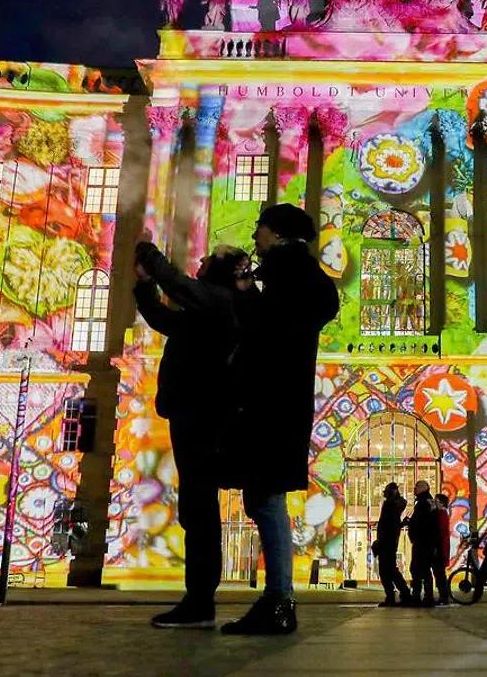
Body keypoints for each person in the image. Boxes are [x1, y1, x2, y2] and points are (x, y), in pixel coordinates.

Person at [221, 204, 340, 634]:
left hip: (271, 404)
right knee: (261, 497)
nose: (255, 237)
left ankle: (279, 600)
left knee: (267, 498)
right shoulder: (290, 275)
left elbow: (266, 331)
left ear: (276, 234)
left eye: (260, 229)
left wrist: (246, 291)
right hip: (274, 402)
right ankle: (278, 598)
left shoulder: (291, 276)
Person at [134, 243, 252, 630]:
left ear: (219, 270)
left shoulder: (217, 300)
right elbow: (164, 320)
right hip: (193, 415)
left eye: (207, 259)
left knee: (199, 511)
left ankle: (200, 600)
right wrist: (145, 288)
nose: (199, 263)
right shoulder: (208, 308)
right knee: (196, 510)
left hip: (204, 416)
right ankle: (198, 598)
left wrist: (151, 255)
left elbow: (179, 285)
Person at [373, 481, 412, 607]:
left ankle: (399, 594)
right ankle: (399, 594)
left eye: (386, 490)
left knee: (387, 570)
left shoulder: (391, 505)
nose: (384, 493)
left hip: (387, 542)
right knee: (389, 570)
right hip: (388, 541)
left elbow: (389, 524)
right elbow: (393, 524)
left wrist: (380, 540)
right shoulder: (394, 505)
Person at [407, 480, 438, 606]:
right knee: (424, 569)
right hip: (427, 542)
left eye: (416, 487)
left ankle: (419, 596)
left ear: (422, 488)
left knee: (418, 569)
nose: (414, 489)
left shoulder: (422, 503)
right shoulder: (429, 502)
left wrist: (412, 528)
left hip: (422, 542)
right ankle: (426, 596)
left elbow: (421, 523)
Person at [432, 493, 452, 605]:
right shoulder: (443, 514)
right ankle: (443, 596)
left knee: (439, 574)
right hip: (441, 548)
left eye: (436, 501)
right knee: (439, 573)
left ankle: (444, 596)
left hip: (440, 549)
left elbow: (441, 532)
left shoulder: (441, 514)